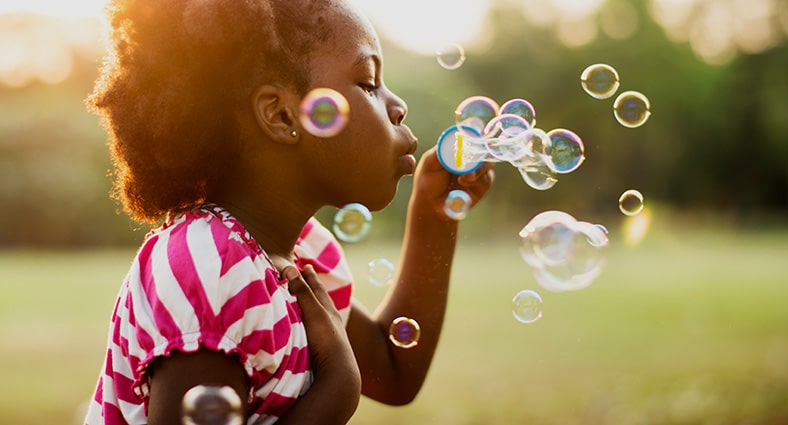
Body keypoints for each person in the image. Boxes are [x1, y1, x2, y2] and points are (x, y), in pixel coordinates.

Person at [83, 0, 495, 424]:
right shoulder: (211, 267)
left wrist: (435, 213)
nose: (398, 106)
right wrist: (337, 391)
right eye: (368, 82)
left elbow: (392, 371)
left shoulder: (300, 254)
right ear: (282, 115)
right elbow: (359, 379)